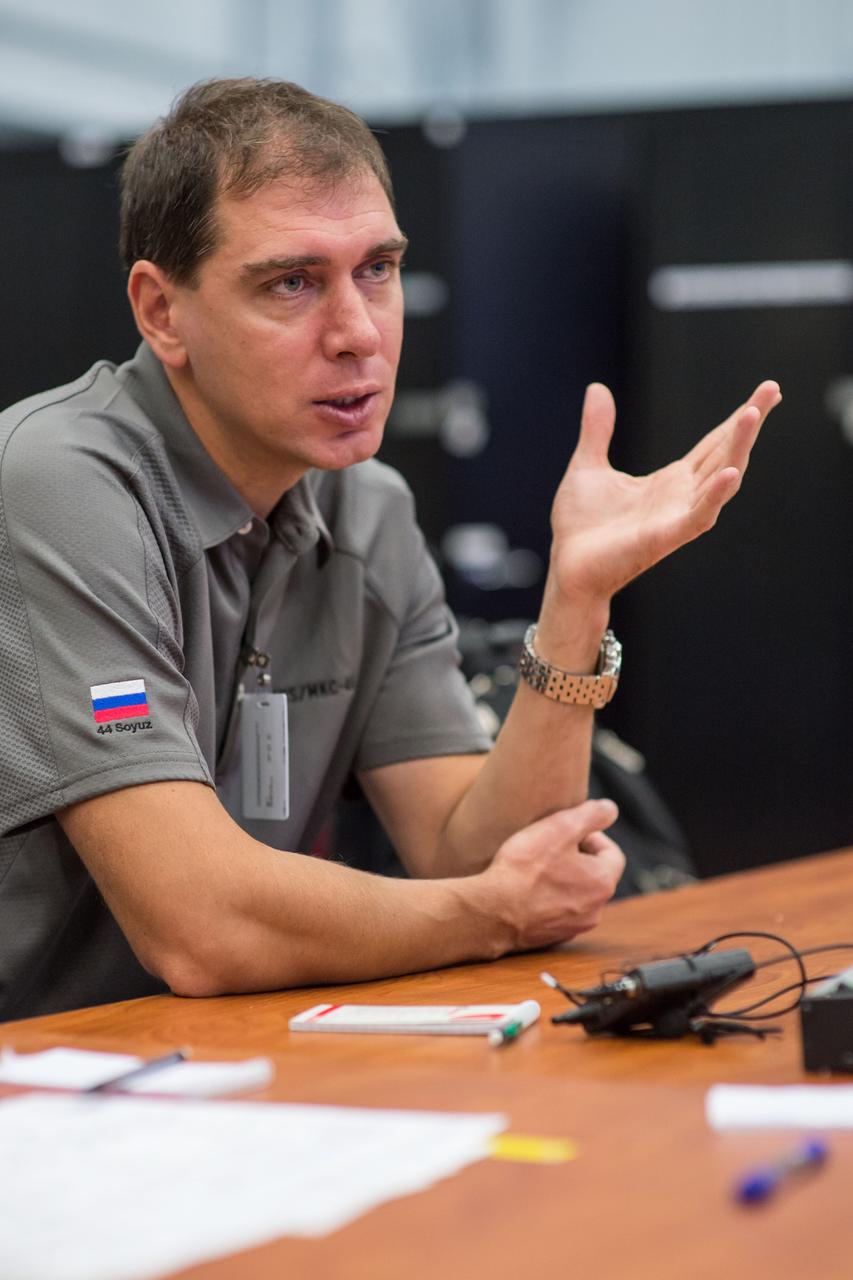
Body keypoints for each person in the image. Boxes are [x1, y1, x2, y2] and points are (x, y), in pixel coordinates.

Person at [0, 79, 781, 1019]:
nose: (358, 333)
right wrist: (488, 914)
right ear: (162, 312)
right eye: (291, 283)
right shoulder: (58, 481)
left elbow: (482, 854)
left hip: (213, 1059)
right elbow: (202, 927)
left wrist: (575, 602)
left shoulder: (367, 507)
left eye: (376, 269)